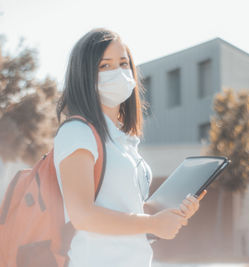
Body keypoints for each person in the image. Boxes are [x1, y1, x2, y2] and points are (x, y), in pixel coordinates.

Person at [53, 28, 206, 267]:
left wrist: (169, 213)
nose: (118, 73)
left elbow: (125, 210)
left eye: (123, 64)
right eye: (104, 66)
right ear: (84, 75)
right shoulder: (77, 132)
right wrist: (152, 223)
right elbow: (82, 215)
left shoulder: (122, 140)